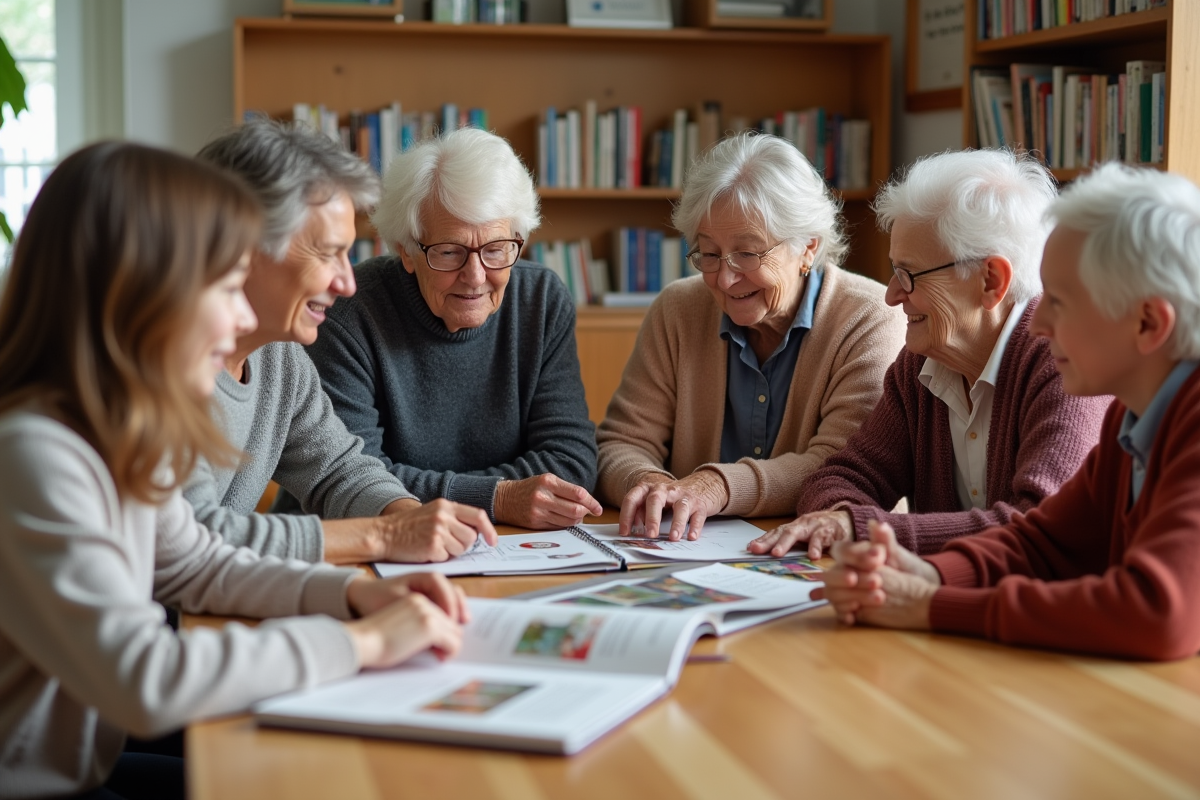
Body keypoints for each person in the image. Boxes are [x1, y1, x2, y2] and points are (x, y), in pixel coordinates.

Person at [0, 142, 468, 799]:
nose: (244, 316)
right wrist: (362, 644)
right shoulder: (35, 457)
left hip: (83, 765)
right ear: (142, 293)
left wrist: (352, 596)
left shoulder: (116, 432)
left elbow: (194, 563)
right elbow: (147, 680)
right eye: (226, 288)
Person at [820, 163, 1200, 661]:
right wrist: (930, 574)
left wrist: (933, 605)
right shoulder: (1133, 419)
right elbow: (1042, 542)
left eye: (1059, 302)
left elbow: (1158, 613)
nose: (1037, 321)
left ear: (1148, 323)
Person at [753, 149, 1110, 560]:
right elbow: (843, 477)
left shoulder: (1065, 363)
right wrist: (838, 520)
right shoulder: (920, 365)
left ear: (990, 280)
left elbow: (1040, 527)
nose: (890, 295)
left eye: (908, 274)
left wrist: (864, 529)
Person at [189, 119, 497, 564]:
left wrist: (409, 517)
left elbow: (338, 470)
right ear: (246, 246)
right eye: (327, 252)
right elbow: (194, 537)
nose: (348, 283)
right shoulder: (163, 364)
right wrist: (383, 535)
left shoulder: (281, 357)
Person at [596, 132, 907, 541]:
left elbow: (845, 466)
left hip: (822, 554)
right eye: (709, 253)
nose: (724, 279)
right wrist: (653, 485)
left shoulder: (870, 318)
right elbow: (620, 442)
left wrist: (719, 486)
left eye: (748, 253)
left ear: (808, 248)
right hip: (686, 552)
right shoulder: (677, 310)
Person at [300, 126, 602, 531]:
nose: (476, 276)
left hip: (507, 543)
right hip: (355, 541)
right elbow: (354, 480)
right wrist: (499, 498)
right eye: (449, 252)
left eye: (496, 250)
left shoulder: (541, 300)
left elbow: (570, 462)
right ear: (407, 251)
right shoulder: (349, 312)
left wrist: (470, 499)